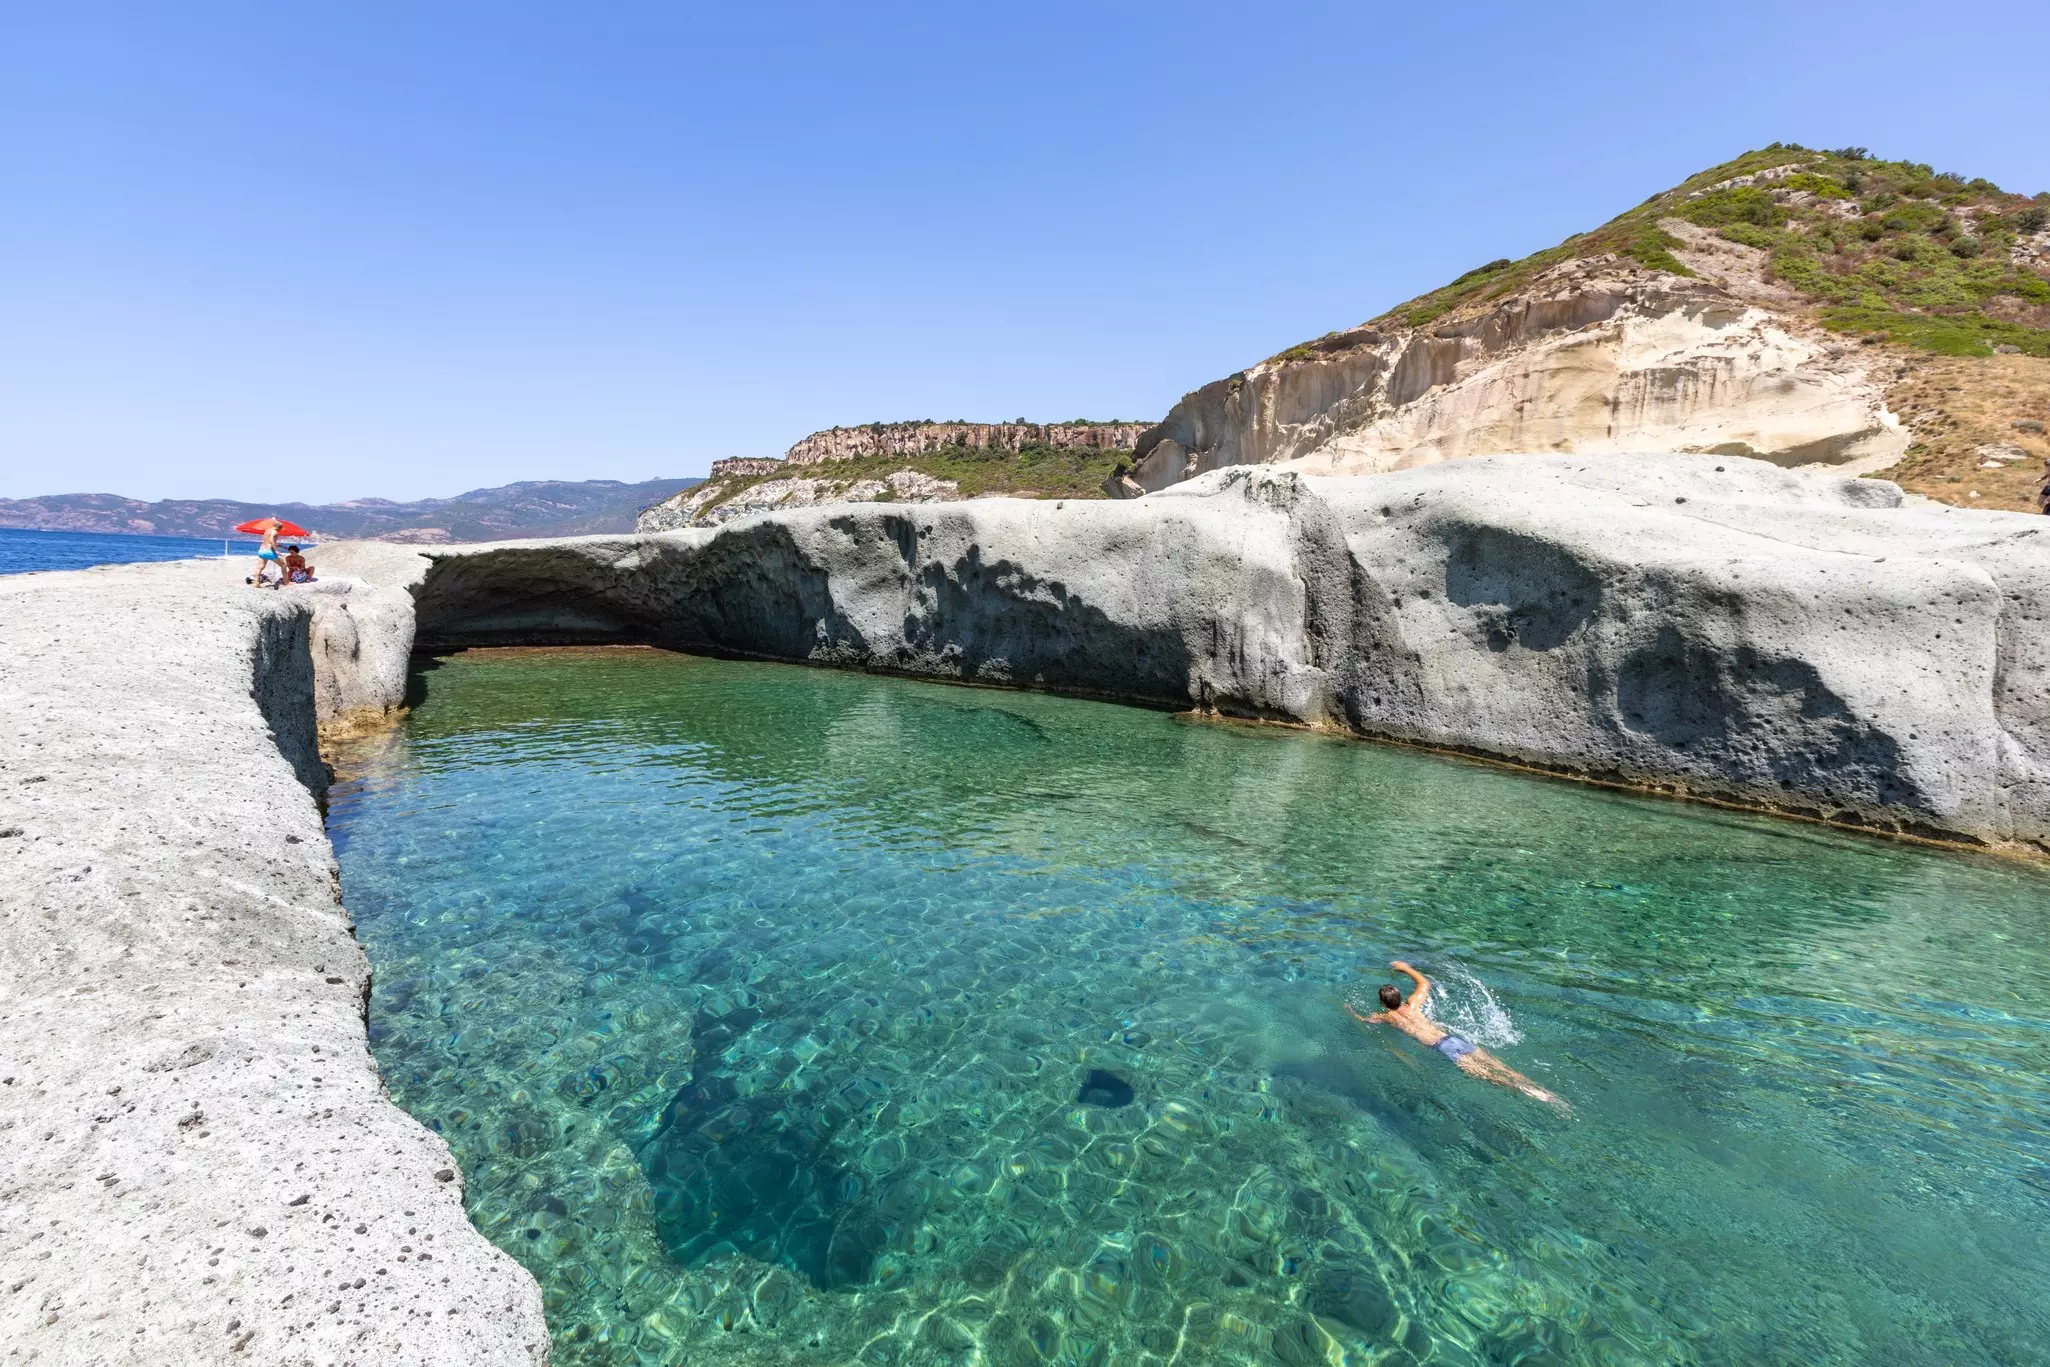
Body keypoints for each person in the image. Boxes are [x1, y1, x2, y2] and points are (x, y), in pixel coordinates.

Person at [1347, 960, 1567, 1110]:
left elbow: (1365, 1020)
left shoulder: (1386, 1017)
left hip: (1442, 1048)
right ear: (1400, 996)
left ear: (1382, 1003)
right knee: (1500, 1066)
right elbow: (1425, 983)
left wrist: (1349, 1011)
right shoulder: (1412, 1005)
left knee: (1485, 1075)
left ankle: (1522, 1089)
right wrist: (1405, 968)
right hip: (1454, 1039)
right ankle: (1536, 1086)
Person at [248, 523, 282, 588]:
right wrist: (276, 550)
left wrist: (276, 544)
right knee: (283, 565)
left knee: (259, 568)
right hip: (269, 551)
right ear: (279, 528)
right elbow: (271, 540)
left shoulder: (267, 531)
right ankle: (287, 582)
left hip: (262, 550)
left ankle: (256, 583)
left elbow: (267, 541)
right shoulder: (275, 532)